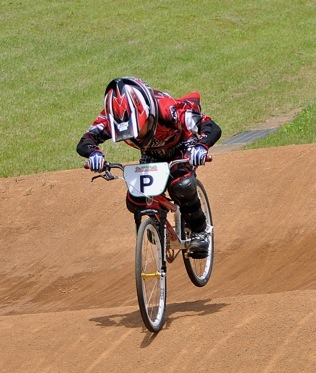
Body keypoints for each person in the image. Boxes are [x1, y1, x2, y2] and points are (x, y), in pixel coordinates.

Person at [77, 77, 221, 257]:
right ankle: (158, 220)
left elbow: (210, 127)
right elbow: (86, 140)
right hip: (151, 153)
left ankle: (200, 231)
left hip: (182, 145)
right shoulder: (110, 117)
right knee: (135, 200)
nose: (134, 135)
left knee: (181, 185)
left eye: (138, 128)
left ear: (147, 113)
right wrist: (94, 154)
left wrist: (201, 147)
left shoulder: (168, 110)